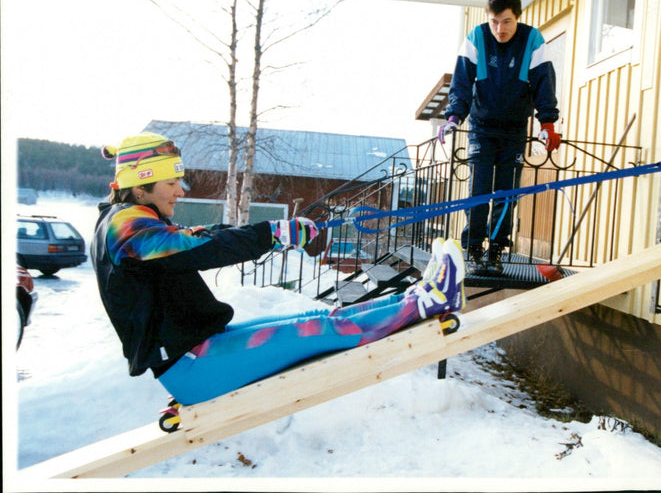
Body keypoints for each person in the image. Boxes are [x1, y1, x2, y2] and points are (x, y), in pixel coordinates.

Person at [91, 133, 465, 405]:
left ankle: (418, 296)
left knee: (320, 315)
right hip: (193, 367)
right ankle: (430, 301)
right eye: (171, 183)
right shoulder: (127, 230)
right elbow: (201, 248)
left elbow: (200, 235)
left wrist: (281, 233)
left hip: (198, 351)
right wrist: (272, 233)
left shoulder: (130, 222)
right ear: (140, 187)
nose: (180, 191)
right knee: (320, 329)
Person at [439, 0, 560, 276]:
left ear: (517, 17)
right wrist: (455, 116)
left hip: (515, 130)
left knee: (507, 193)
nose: (499, 28)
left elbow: (543, 81)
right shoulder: (476, 38)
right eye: (494, 21)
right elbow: (462, 82)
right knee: (479, 191)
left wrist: (547, 123)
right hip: (481, 127)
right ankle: (474, 250)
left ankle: (495, 251)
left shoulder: (532, 39)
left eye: (506, 21)